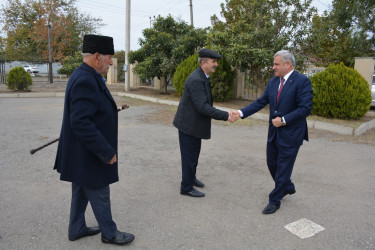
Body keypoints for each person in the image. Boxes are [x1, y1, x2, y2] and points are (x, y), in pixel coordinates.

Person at [54, 34, 135, 245]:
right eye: (109, 57)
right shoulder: (85, 80)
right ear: (97, 56)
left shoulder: (86, 76)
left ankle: (76, 228)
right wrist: (106, 152)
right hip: (89, 152)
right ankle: (110, 234)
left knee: (81, 189)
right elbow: (81, 123)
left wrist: (112, 109)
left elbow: (90, 111)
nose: (111, 62)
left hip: (82, 152)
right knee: (100, 190)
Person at [231, 50, 313, 214]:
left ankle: (275, 200)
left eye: (276, 64)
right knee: (272, 163)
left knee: (283, 168)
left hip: (291, 134)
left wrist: (284, 120)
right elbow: (261, 101)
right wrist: (240, 113)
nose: (273, 67)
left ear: (287, 64)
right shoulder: (273, 82)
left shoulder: (302, 82)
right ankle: (287, 186)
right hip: (274, 133)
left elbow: (305, 108)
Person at [173, 48, 236, 198]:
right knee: (189, 157)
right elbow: (203, 107)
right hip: (188, 126)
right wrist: (226, 115)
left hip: (194, 125)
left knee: (194, 155)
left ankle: (191, 178)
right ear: (203, 63)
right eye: (213, 62)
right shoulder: (196, 79)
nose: (216, 65)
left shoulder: (203, 76)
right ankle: (186, 187)